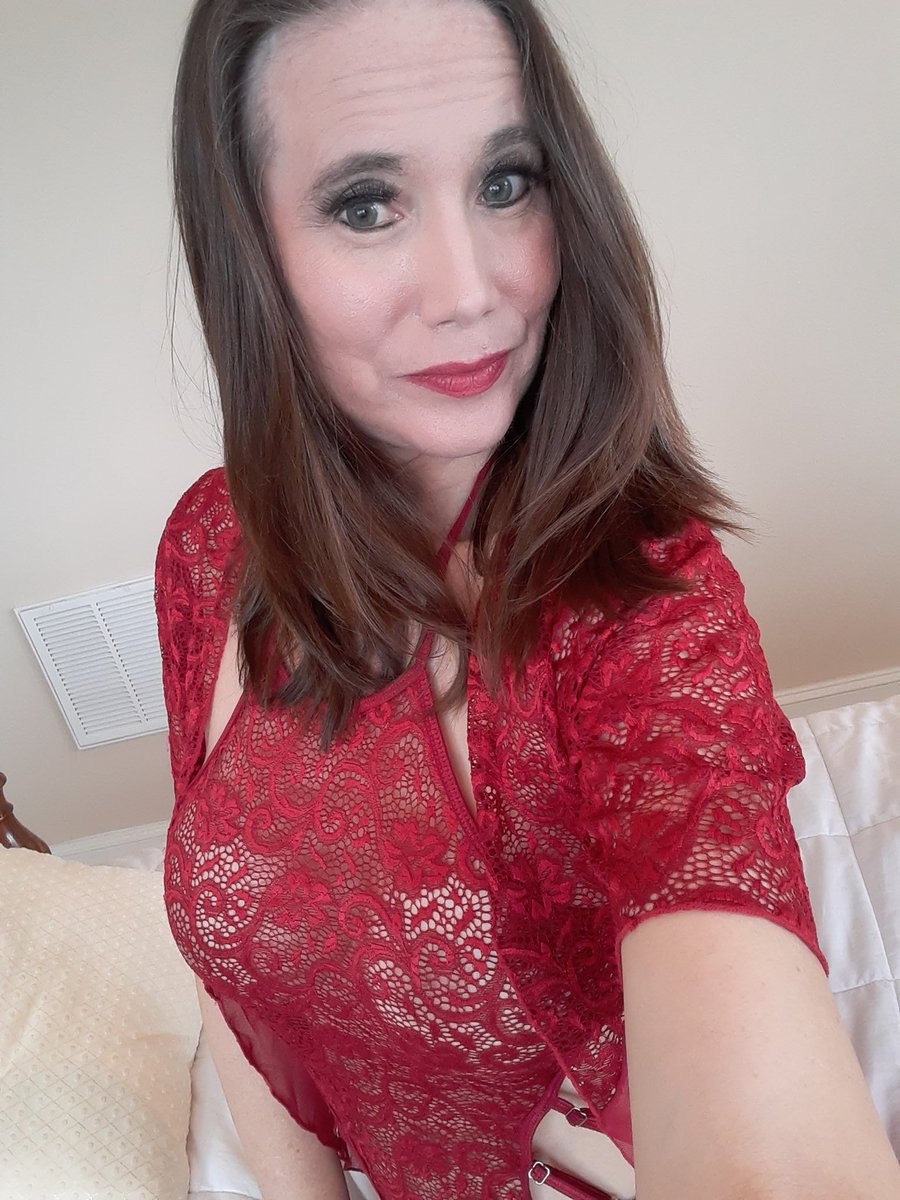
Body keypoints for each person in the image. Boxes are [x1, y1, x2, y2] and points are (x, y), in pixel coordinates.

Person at [154, 1, 900, 1197]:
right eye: (366, 204)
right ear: (250, 250)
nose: (472, 291)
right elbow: (231, 958)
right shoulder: (209, 544)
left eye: (507, 181)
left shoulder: (648, 614)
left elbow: (771, 1157)